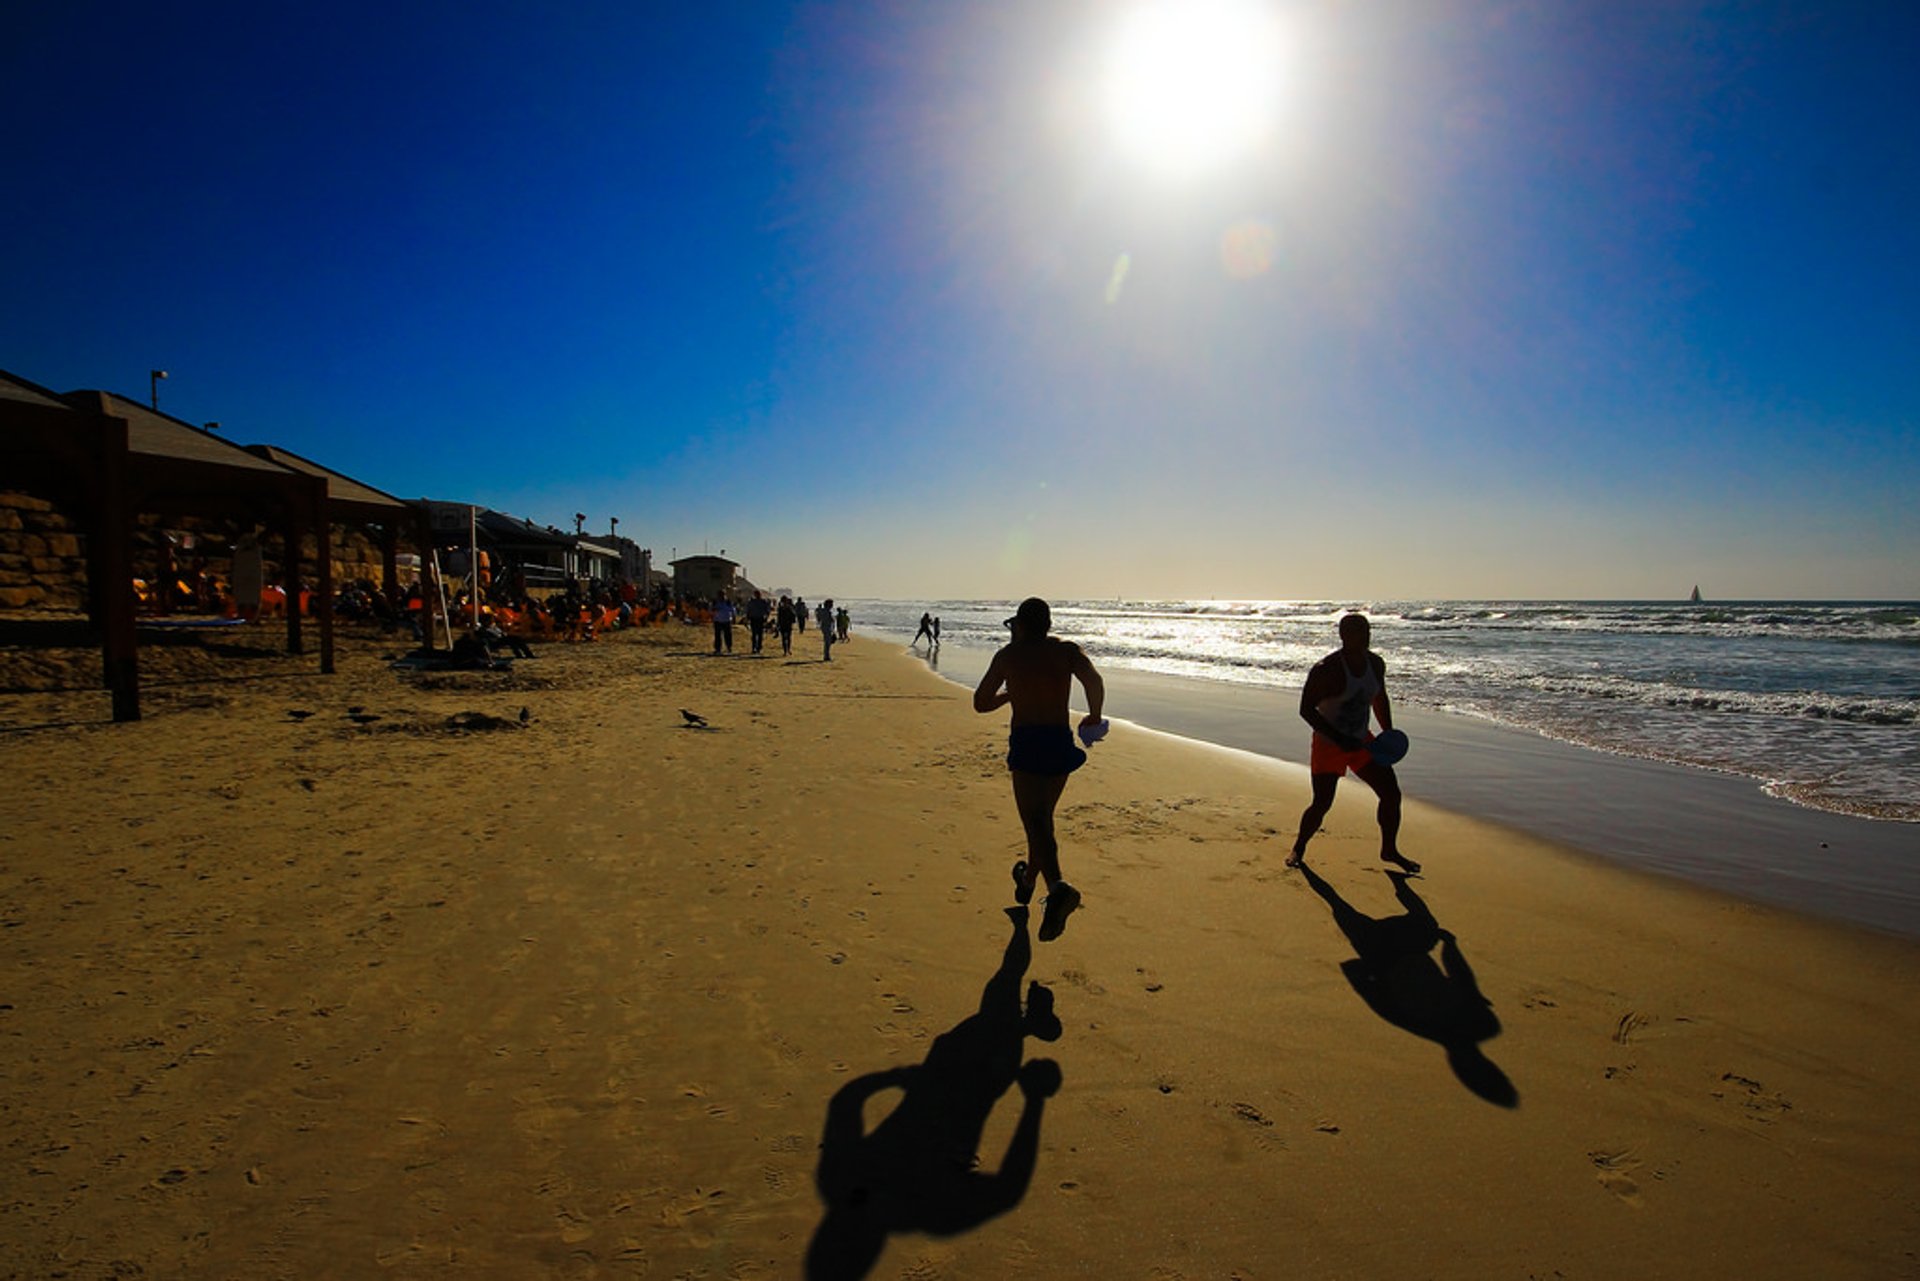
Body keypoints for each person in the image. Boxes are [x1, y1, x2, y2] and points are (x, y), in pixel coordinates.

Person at [973, 597, 1105, 941]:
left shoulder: (1008, 656)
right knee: (1041, 820)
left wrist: (1011, 693)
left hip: (1028, 742)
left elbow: (980, 703)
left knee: (1036, 821)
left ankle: (1058, 886)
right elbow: (1093, 680)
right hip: (1059, 741)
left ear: (1020, 624)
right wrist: (1093, 714)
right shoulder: (1066, 650)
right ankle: (1028, 880)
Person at [1288, 612, 1419, 873]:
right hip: (1328, 744)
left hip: (1362, 742)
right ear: (1344, 636)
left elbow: (1379, 698)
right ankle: (1299, 847)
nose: (1366, 636)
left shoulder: (1376, 664)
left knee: (1391, 794)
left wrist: (1388, 734)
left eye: (1367, 630)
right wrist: (1338, 739)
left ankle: (1389, 850)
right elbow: (1305, 709)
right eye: (1359, 631)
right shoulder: (1327, 669)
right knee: (1322, 803)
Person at [746, 590, 771, 654]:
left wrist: (766, 617)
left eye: (758, 594)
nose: (757, 595)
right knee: (754, 634)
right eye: (756, 594)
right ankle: (754, 647)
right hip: (753, 619)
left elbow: (767, 610)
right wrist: (748, 617)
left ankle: (759, 647)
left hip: (760, 619)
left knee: (760, 634)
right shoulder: (752, 602)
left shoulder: (763, 602)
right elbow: (748, 610)